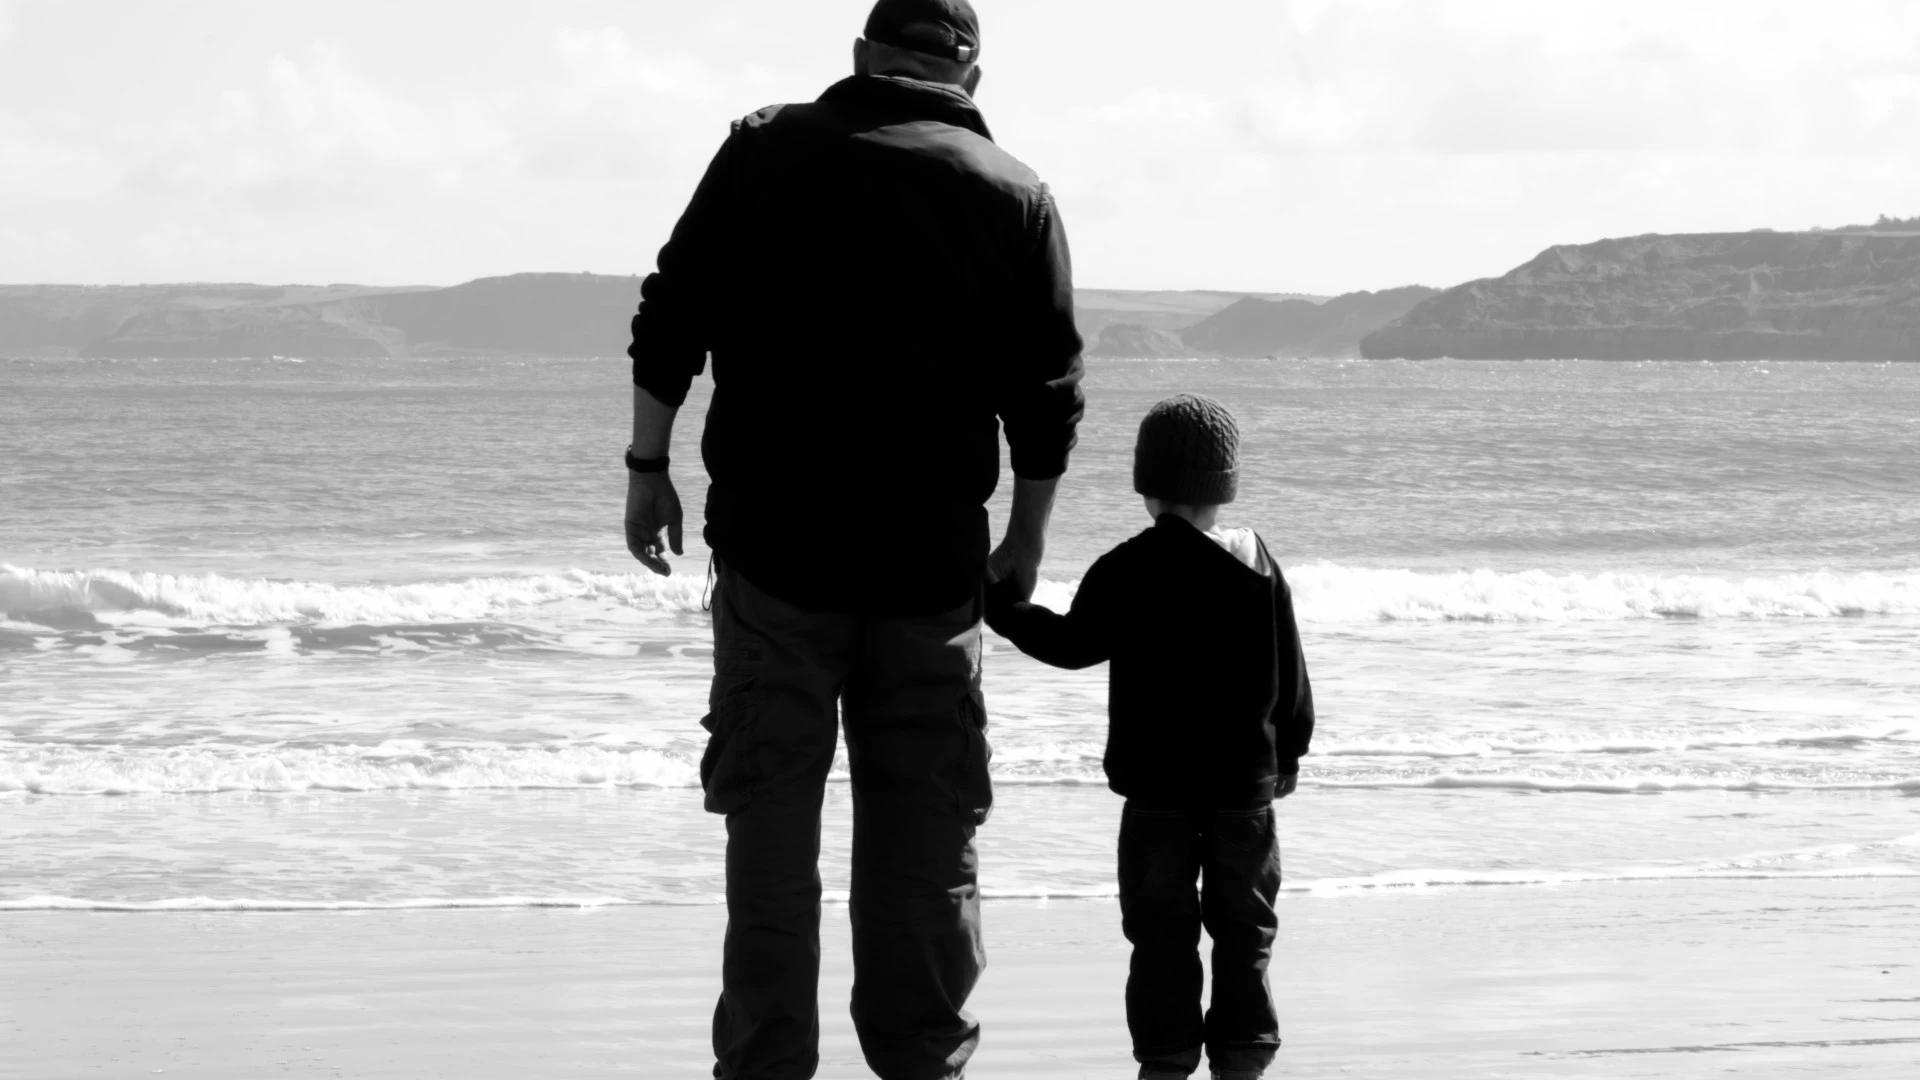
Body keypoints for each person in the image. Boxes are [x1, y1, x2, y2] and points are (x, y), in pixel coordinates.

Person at [621, 0, 1085, 1076]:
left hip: (777, 559)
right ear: (971, 71)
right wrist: (1025, 539)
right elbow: (1048, 396)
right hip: (931, 572)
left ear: (860, 57)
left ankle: (769, 1065)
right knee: (925, 846)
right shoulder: (1018, 195)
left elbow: (671, 312)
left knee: (772, 836)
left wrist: (649, 469)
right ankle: (923, 1064)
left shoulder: (763, 148)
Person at [984, 394, 1315, 1080]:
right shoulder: (1259, 564)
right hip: (1244, 787)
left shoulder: (1130, 565)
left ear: (1146, 484)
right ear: (1225, 484)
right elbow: (1292, 669)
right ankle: (1245, 1058)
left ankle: (1165, 1060)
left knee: (1161, 931)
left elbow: (1073, 644)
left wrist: (1004, 608)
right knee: (1245, 928)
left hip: (1158, 790)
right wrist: (1291, 750)